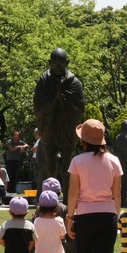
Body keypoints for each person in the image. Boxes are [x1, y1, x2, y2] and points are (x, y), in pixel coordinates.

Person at [66, 119, 123, 253]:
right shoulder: (114, 161)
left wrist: (70, 217)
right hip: (108, 214)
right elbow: (117, 193)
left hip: (84, 215)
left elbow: (73, 192)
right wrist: (116, 215)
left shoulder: (77, 161)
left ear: (84, 141)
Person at [34, 48, 85, 204]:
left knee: (67, 169)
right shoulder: (43, 81)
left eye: (61, 64)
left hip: (67, 131)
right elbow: (38, 105)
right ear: (50, 63)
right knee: (50, 169)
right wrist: (53, 101)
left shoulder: (74, 83)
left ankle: (69, 202)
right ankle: (48, 203)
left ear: (67, 63)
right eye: (54, 63)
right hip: (49, 129)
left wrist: (63, 101)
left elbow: (80, 107)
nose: (57, 66)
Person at [33, 177, 67, 253]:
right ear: (59, 192)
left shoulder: (38, 211)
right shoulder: (63, 208)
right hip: (58, 241)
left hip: (41, 243)